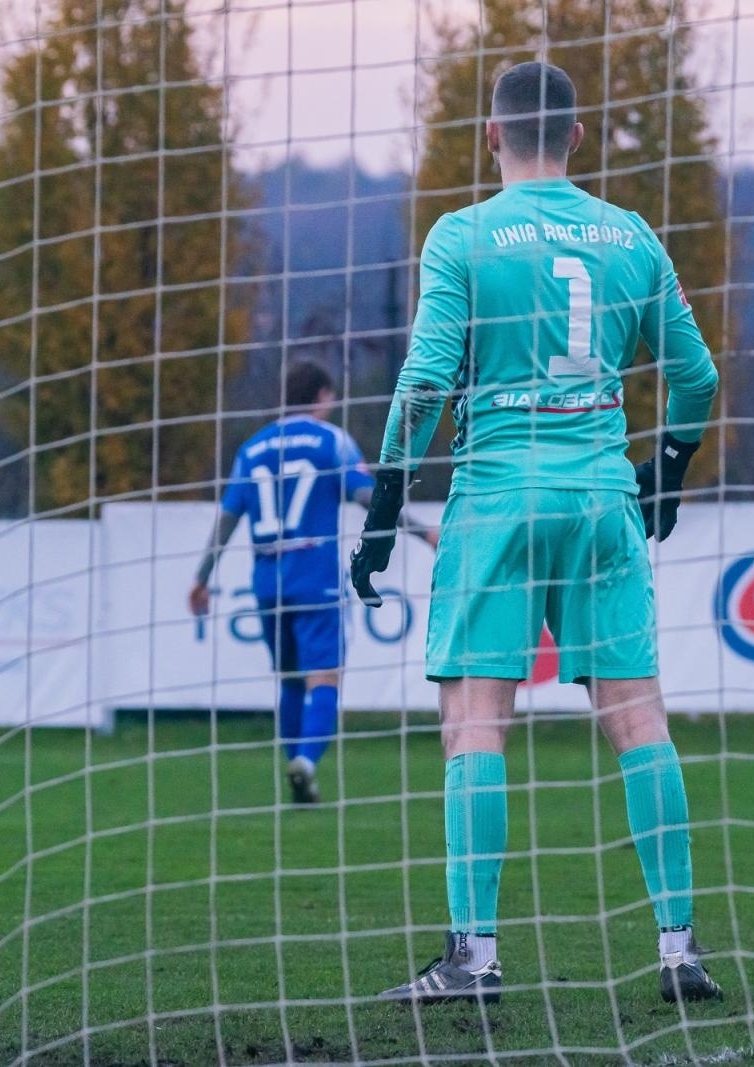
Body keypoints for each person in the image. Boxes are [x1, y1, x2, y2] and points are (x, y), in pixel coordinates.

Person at [350, 61, 722, 1005]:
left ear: (492, 136)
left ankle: (474, 958)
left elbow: (427, 379)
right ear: (578, 138)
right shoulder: (630, 236)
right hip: (601, 492)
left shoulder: (465, 236)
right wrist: (666, 474)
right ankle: (679, 948)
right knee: (640, 721)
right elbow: (699, 377)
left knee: (477, 724)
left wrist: (386, 508)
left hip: (498, 495)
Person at [190, 360, 437, 804]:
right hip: (315, 576)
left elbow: (227, 520)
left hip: (266, 581)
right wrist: (424, 532)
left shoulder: (252, 447)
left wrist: (201, 578)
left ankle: (298, 770)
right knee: (324, 677)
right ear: (322, 395)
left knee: (287, 679)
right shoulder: (331, 443)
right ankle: (305, 761)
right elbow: (368, 498)